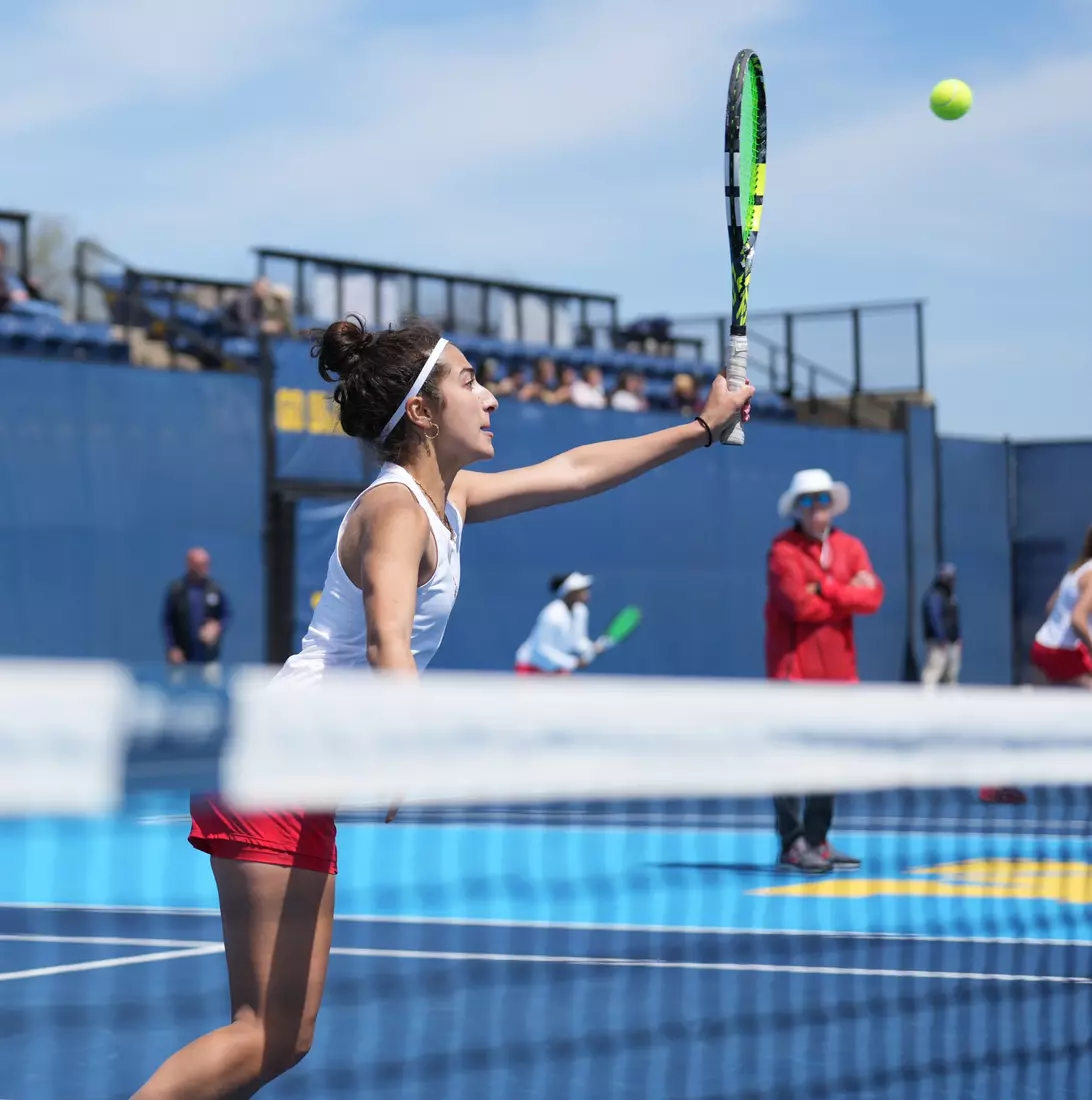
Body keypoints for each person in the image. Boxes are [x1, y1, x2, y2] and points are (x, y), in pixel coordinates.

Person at [133, 316, 753, 1098]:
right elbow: (389, 636)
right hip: (270, 763)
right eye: (468, 381)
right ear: (423, 412)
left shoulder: (448, 499)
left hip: (293, 774)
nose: (489, 397)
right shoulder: (394, 511)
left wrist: (701, 427)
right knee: (261, 1029)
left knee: (285, 1039)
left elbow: (576, 470)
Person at [764, 468, 884, 875]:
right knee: (792, 762)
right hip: (794, 675)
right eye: (808, 501)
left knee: (831, 762)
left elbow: (873, 598)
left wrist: (826, 588)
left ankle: (817, 839)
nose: (817, 509)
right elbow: (798, 604)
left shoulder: (851, 547)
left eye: (823, 500)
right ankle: (792, 843)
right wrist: (846, 591)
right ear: (796, 508)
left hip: (840, 677)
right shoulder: (782, 551)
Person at [1029, 524, 1092, 689]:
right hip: (1061, 653)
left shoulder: (1076, 570)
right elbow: (1078, 619)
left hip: (1041, 646)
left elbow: (1050, 606)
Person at [514, 572, 609, 674]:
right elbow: (543, 648)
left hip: (556, 667)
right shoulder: (552, 614)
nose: (587, 593)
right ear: (570, 593)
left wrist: (591, 647)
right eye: (581, 590)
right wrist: (573, 662)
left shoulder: (581, 611)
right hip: (531, 666)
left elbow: (578, 640)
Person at [161, 548, 229, 684]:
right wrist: (172, 647)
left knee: (210, 692)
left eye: (206, 564)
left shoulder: (214, 589)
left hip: (208, 657)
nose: (204, 568)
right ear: (190, 564)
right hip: (182, 657)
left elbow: (225, 614)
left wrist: (216, 627)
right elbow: (167, 621)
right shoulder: (177, 590)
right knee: (179, 694)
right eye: (200, 564)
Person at [921, 562, 961, 685]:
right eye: (947, 577)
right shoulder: (935, 595)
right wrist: (941, 637)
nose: (950, 580)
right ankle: (926, 699)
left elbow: (954, 619)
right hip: (938, 643)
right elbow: (934, 618)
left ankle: (950, 701)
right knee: (934, 670)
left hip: (952, 642)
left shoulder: (951, 597)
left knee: (951, 673)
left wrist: (958, 637)